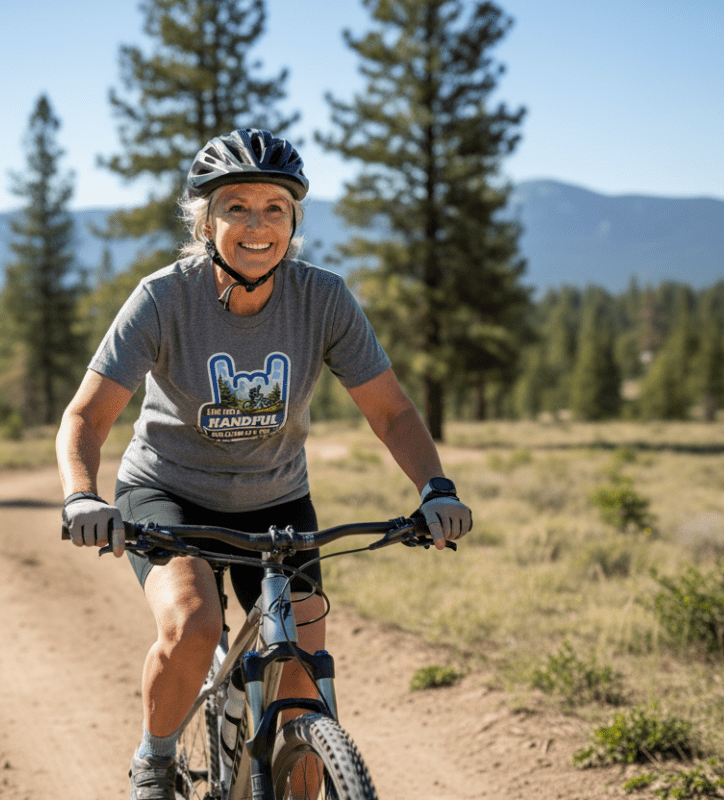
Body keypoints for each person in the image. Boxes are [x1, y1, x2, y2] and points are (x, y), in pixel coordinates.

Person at [55, 129, 472, 800]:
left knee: (300, 669)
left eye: (274, 208)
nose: (257, 225)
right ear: (206, 222)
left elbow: (392, 413)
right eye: (237, 208)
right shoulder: (163, 299)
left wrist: (436, 488)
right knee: (195, 625)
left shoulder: (323, 299)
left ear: (293, 221)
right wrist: (82, 496)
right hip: (167, 492)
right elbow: (85, 418)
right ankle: (155, 761)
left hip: (276, 501)